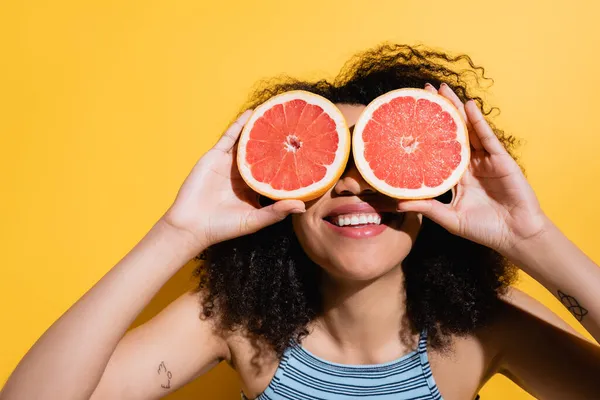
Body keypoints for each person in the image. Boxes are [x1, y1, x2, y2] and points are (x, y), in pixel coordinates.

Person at [2, 44, 600, 400]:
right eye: (329, 160)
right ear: (284, 196)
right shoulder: (234, 322)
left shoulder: (488, 326)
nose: (351, 181)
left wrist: (530, 239)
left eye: (377, 160)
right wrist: (176, 235)